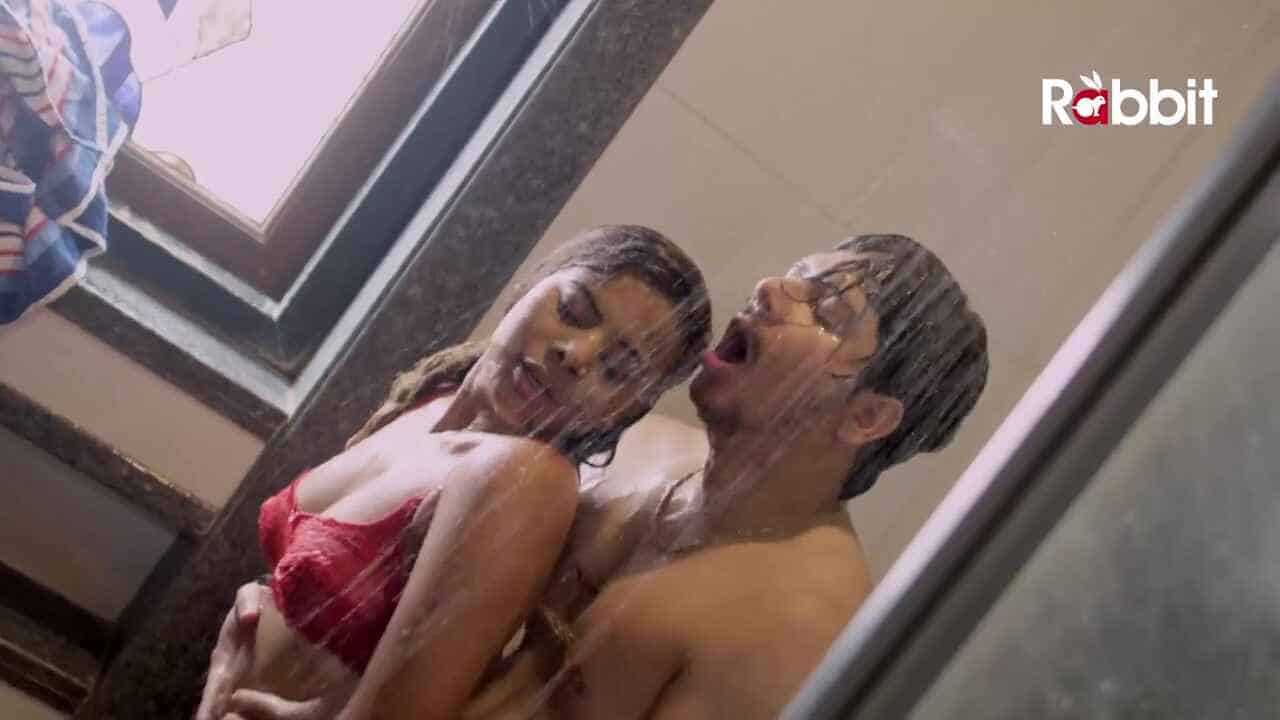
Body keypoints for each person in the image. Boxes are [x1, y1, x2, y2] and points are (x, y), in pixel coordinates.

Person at [209, 233, 989, 720]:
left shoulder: (797, 629)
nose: (771, 291)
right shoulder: (647, 445)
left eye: (822, 310)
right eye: (794, 273)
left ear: (867, 417)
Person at [194, 225, 712, 720]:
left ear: (621, 414)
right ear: (532, 283)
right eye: (573, 311)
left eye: (617, 369)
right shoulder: (433, 393)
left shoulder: (526, 481)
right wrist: (249, 617)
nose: (576, 355)